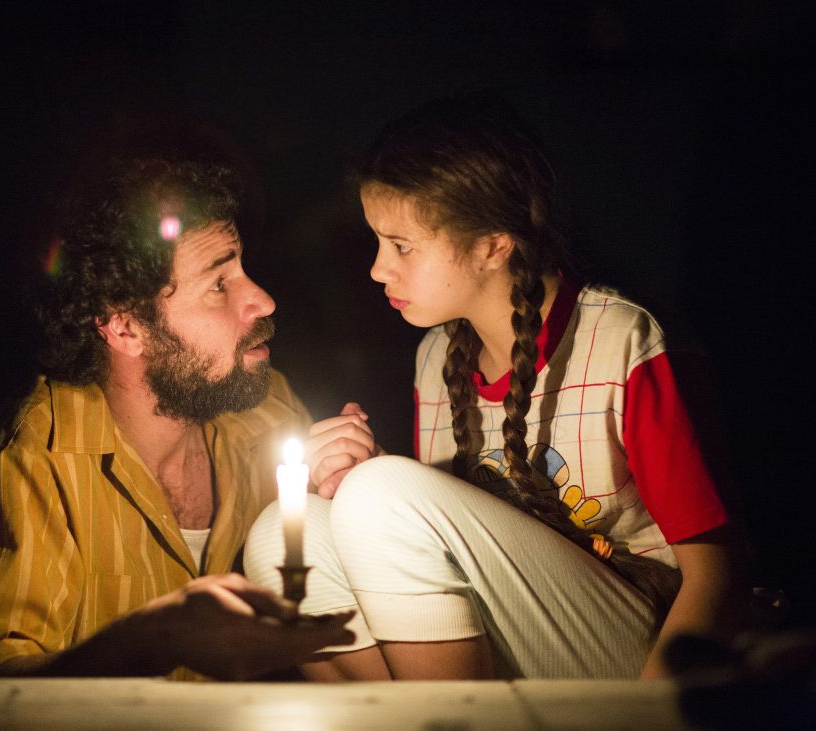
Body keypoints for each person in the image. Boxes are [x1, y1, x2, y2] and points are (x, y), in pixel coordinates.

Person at [245, 94, 749, 680]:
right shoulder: (437, 355)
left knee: (379, 493)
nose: (378, 269)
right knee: (281, 535)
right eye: (378, 243)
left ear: (492, 244)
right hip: (526, 635)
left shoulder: (624, 341)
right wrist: (361, 476)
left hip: (643, 650)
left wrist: (649, 715)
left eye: (402, 246)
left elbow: (721, 571)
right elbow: (480, 537)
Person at [0, 146, 354, 680]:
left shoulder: (268, 409)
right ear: (126, 327)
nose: (263, 300)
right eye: (218, 285)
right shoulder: (39, 458)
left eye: (244, 269)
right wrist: (152, 640)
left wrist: (349, 486)